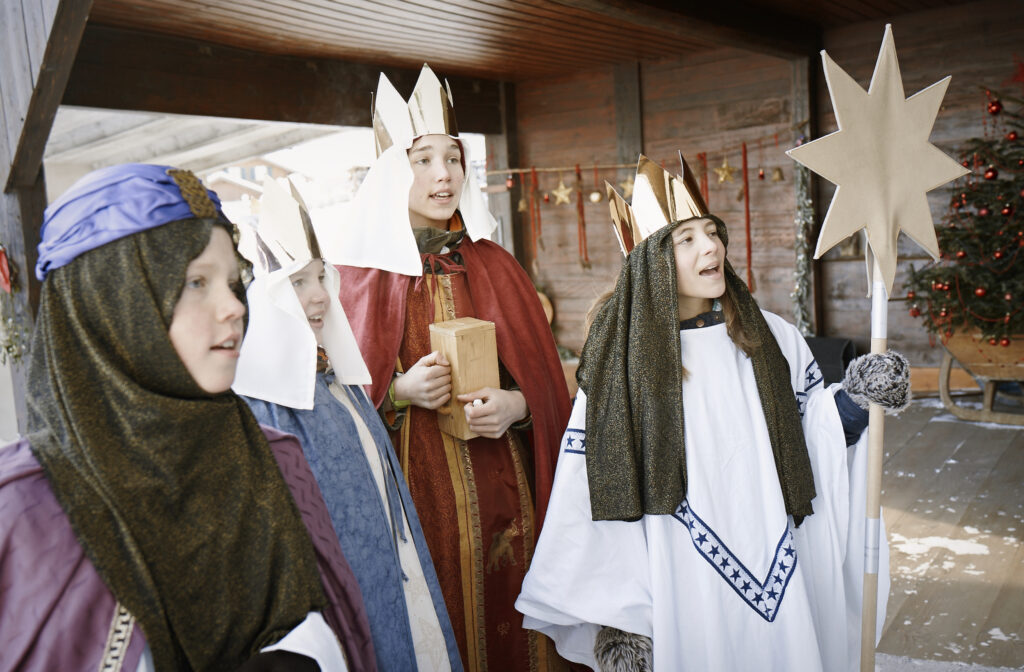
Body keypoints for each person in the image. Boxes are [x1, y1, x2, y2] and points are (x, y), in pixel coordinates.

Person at [515, 156, 907, 671]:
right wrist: (624, 621)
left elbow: (811, 428)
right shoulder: (620, 364)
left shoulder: (770, 337)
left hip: (778, 552)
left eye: (712, 233)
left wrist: (854, 403)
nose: (712, 247)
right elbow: (591, 493)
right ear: (651, 262)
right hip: (680, 575)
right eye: (687, 239)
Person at [0, 164, 375, 672]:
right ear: (111, 302)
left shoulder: (275, 458)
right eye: (196, 281)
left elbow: (347, 633)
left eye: (232, 281)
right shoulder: (21, 510)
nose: (233, 307)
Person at [331, 65, 572, 671]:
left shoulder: (497, 266)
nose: (443, 175)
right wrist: (399, 391)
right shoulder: (359, 276)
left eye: (454, 158)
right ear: (392, 172)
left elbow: (544, 387)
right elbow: (333, 412)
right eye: (422, 159)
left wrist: (517, 407)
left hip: (509, 493)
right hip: (416, 505)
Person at [233, 177, 462, 672]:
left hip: (394, 571)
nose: (318, 297)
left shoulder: (341, 382)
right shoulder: (263, 407)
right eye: (298, 282)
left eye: (321, 277)